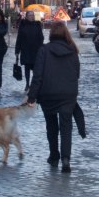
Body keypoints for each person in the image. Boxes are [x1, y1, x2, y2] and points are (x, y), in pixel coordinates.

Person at [26, 21, 81, 172]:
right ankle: (66, 159)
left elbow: (38, 76)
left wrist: (32, 97)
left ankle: (54, 156)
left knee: (51, 127)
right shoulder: (72, 50)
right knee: (66, 126)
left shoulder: (44, 50)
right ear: (65, 34)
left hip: (48, 94)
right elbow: (77, 73)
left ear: (51, 34)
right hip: (67, 94)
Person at [14, 10, 45, 91]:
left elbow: (41, 37)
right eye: (30, 15)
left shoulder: (37, 24)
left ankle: (33, 84)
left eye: (32, 15)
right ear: (26, 16)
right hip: (25, 49)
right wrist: (17, 51)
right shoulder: (23, 25)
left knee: (35, 68)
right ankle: (27, 84)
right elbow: (19, 38)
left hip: (35, 50)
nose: (31, 17)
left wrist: (41, 48)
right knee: (27, 67)